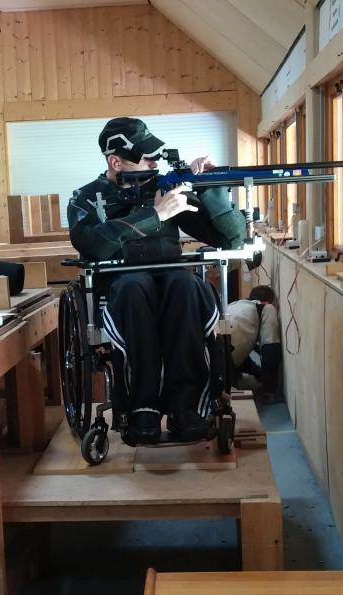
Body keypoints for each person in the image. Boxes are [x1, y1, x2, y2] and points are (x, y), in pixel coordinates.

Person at [67, 117, 246, 443]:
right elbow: (91, 244)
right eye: (146, 157)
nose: (154, 163)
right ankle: (141, 407)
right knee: (135, 288)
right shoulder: (85, 198)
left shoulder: (165, 188)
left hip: (172, 282)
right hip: (122, 286)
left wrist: (213, 189)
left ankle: (185, 405)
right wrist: (156, 216)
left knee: (188, 286)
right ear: (115, 161)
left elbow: (231, 239)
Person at [228, 285, 282, 401]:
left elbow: (240, 345)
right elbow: (270, 349)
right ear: (269, 301)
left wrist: (257, 372)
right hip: (224, 360)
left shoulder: (236, 305)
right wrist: (270, 389)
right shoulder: (266, 307)